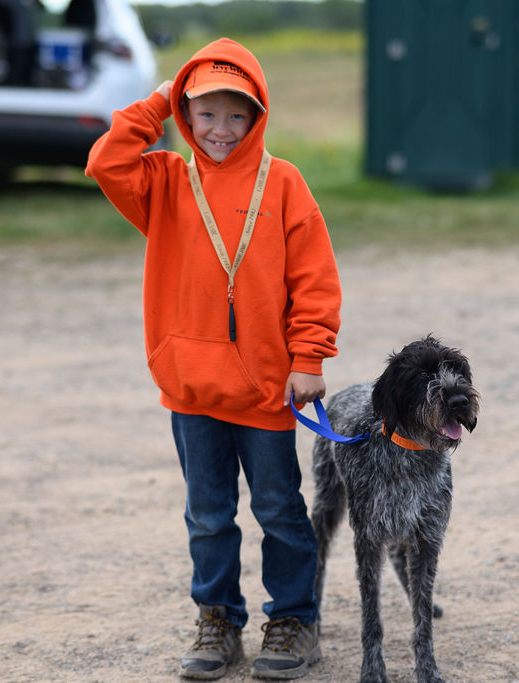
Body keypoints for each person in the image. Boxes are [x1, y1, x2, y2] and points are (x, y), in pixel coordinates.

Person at [85, 38, 340, 680]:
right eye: (205, 113)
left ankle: (295, 620)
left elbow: (315, 280)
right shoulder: (166, 181)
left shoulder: (283, 182)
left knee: (279, 509)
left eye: (235, 115)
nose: (220, 129)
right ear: (185, 114)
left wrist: (309, 357)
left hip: (267, 389)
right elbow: (106, 161)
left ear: (257, 116)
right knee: (207, 516)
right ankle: (218, 619)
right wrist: (158, 101)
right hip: (192, 389)